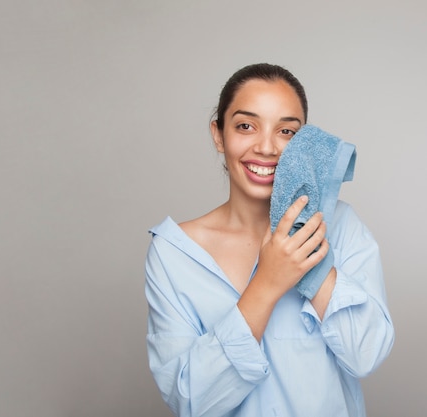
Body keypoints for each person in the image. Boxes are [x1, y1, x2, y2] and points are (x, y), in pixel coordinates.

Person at [144, 63, 394, 417]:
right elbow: (191, 400)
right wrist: (267, 283)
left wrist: (313, 259)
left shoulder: (340, 226)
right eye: (246, 126)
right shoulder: (174, 253)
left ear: (305, 143)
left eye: (287, 132)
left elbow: (366, 353)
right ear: (218, 135)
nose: (266, 147)